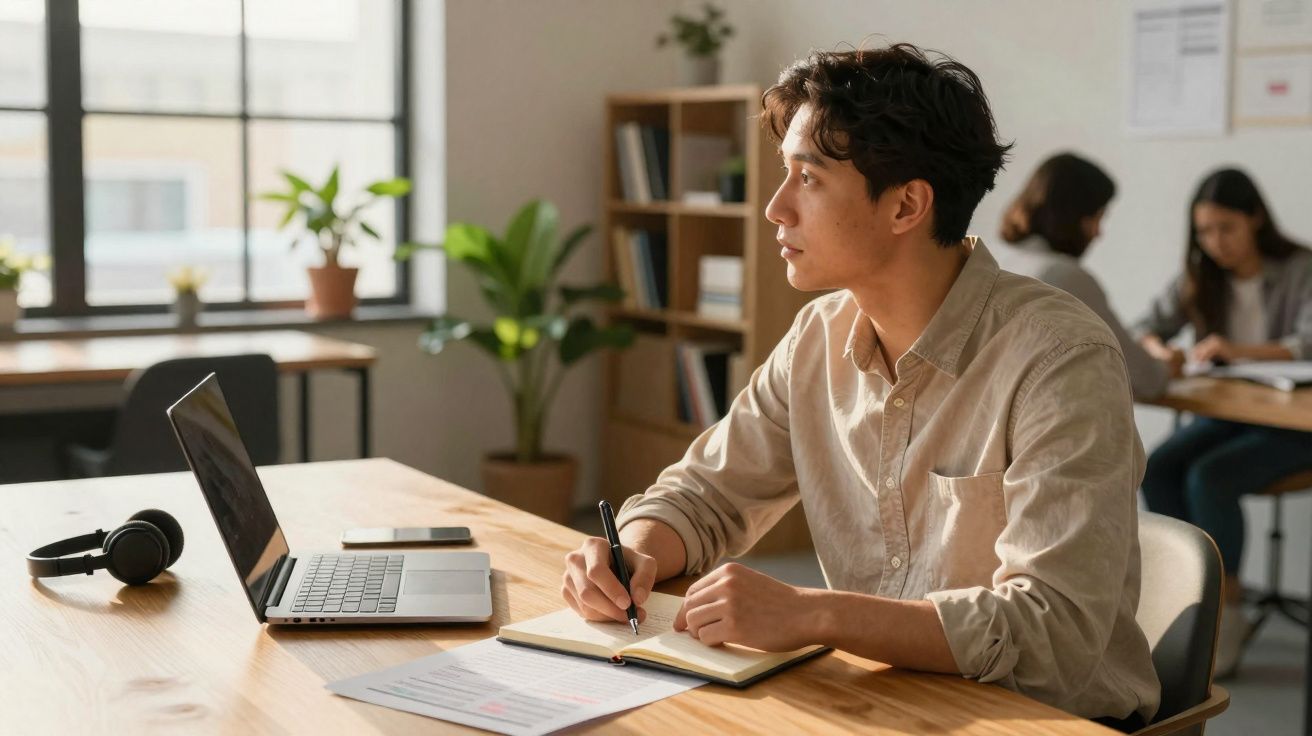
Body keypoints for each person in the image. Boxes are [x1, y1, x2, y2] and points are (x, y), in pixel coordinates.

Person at [562, 43, 1160, 727]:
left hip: (1037, 719)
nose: (776, 209)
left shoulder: (1059, 357)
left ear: (907, 205)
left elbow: (1052, 632)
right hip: (880, 702)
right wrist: (632, 549)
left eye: (807, 179)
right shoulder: (818, 336)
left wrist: (816, 613)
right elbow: (703, 496)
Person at [1137, 167, 1312, 677]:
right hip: (1235, 417)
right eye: (1205, 231)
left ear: (1255, 219)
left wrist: (1239, 351)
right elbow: (1145, 326)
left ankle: (1224, 616)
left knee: (1210, 476)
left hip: (1297, 425)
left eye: (1226, 229)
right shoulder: (1200, 273)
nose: (1215, 243)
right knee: (1160, 465)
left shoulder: (1300, 267)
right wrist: (1159, 349)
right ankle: (1183, 599)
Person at [995, 152, 1169, 399]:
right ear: (1074, 216)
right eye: (1097, 218)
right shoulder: (1064, 277)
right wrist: (1168, 365)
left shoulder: (997, 259)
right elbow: (1143, 379)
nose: (1098, 233)